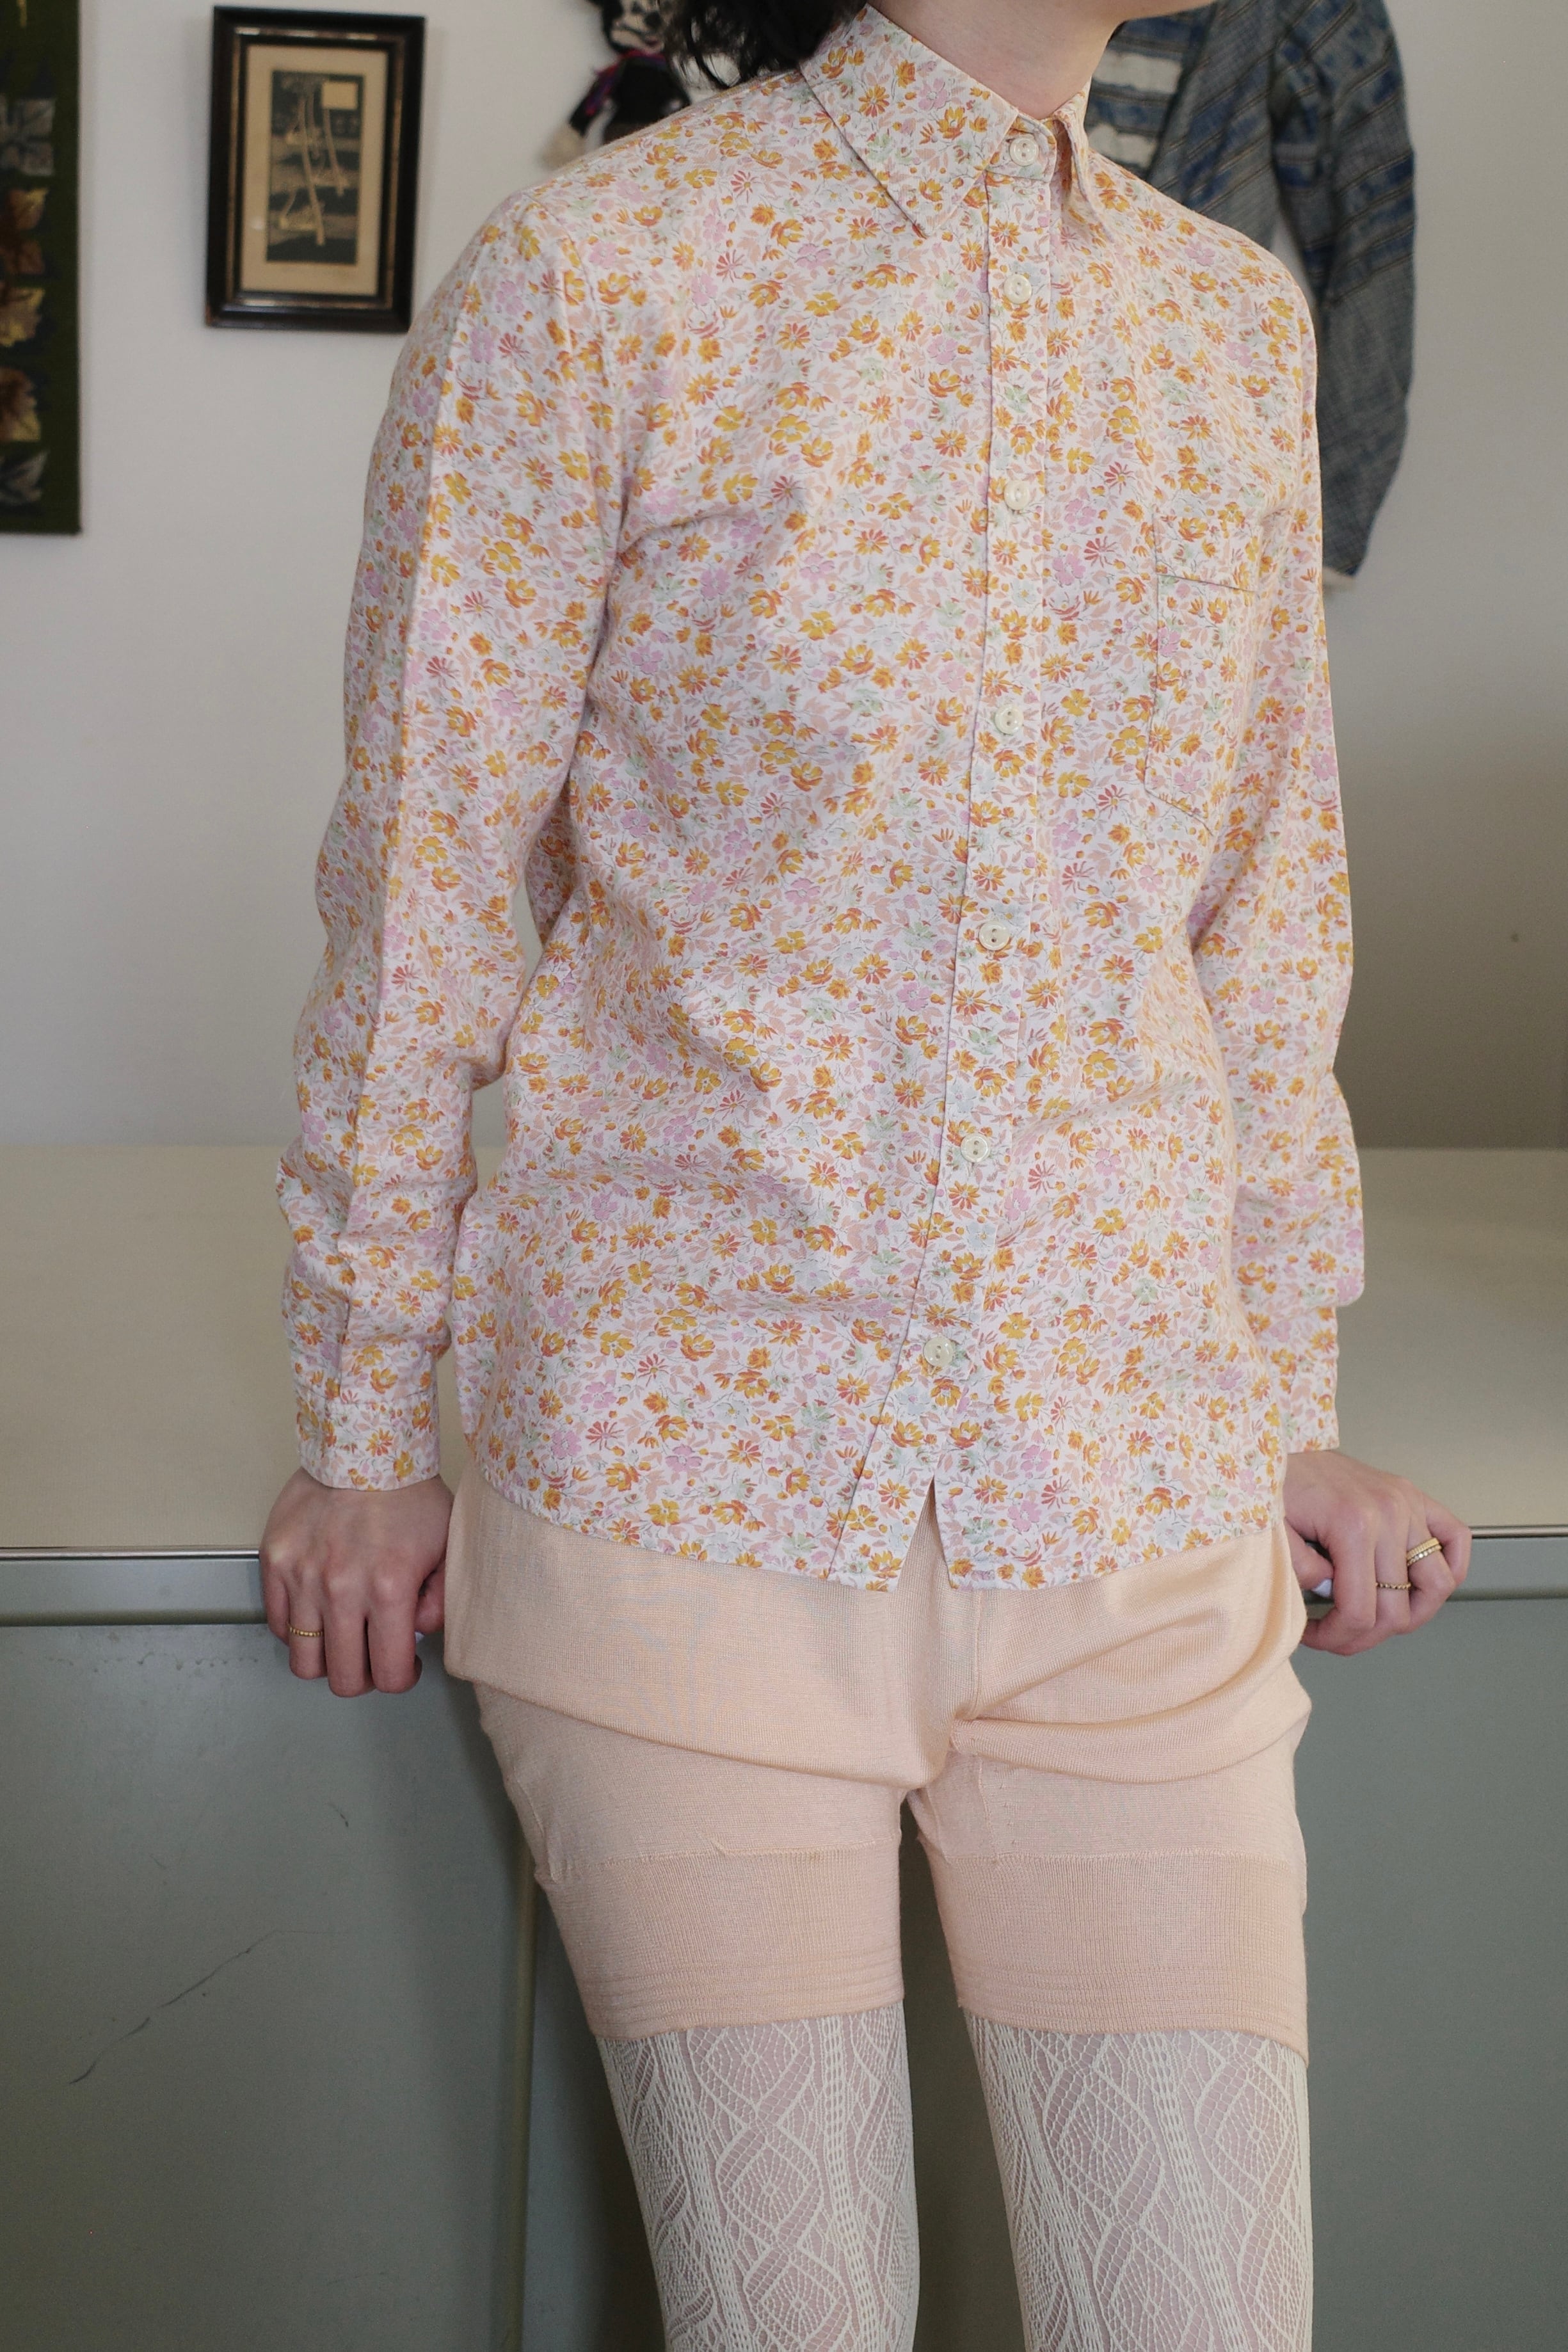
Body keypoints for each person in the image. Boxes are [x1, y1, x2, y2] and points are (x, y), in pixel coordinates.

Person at [261, 3, 1469, 2344]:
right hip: (681, 1503)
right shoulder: (597, 275)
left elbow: (1264, 926)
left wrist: (1281, 1392)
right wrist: (361, 1422)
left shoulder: (1230, 325)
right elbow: (423, 895)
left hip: (1133, 1513)